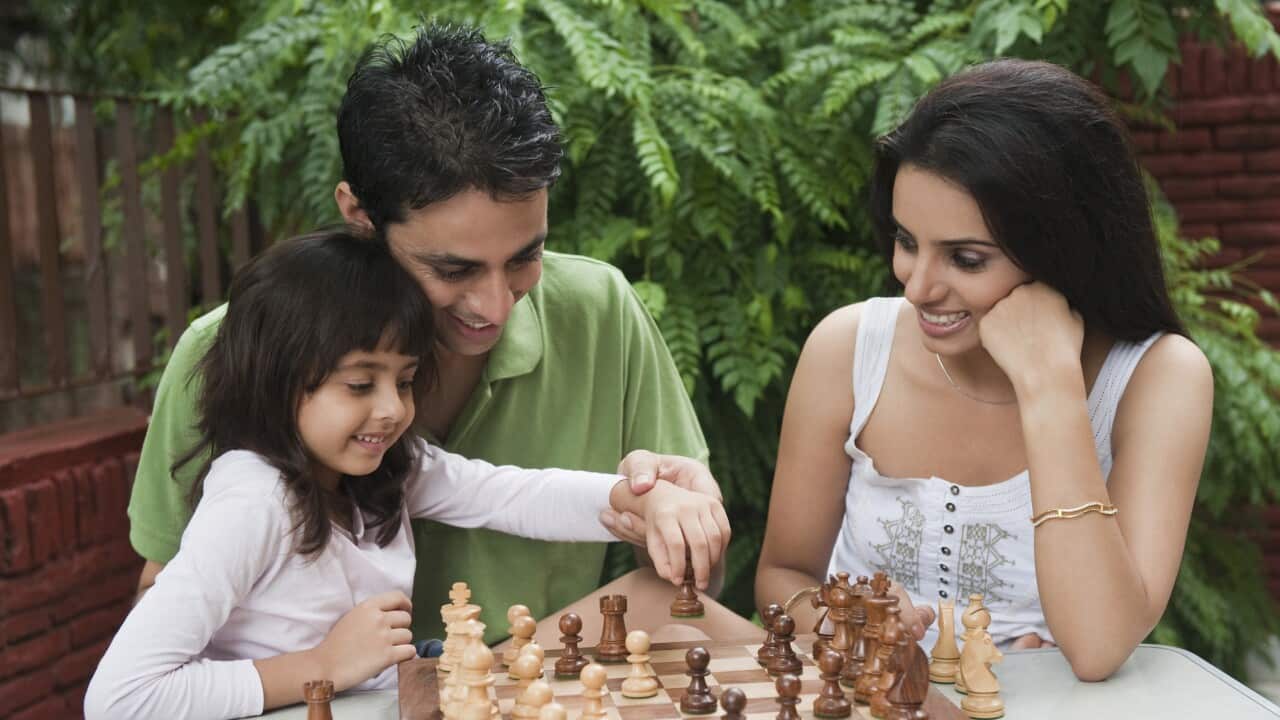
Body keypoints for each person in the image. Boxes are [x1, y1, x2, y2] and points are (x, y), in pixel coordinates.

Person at [127, 24, 746, 646]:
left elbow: (677, 584)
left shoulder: (599, 309)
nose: (495, 306)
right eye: (454, 269)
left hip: (529, 688)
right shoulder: (233, 351)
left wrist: (677, 522)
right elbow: (163, 622)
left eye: (526, 257)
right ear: (360, 218)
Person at [86, 229, 729, 720]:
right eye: (361, 384)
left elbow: (506, 493)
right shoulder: (253, 501)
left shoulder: (385, 465)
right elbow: (119, 696)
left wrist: (635, 498)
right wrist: (319, 667)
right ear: (277, 383)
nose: (392, 409)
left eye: (406, 380)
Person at [754, 59, 1213, 682]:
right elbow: (782, 577)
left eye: (966, 259)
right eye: (906, 240)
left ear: (1065, 248)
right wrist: (851, 625)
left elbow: (1100, 645)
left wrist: (1049, 386)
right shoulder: (848, 349)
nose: (917, 287)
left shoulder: (1158, 380)